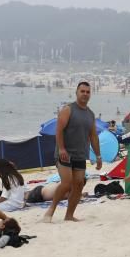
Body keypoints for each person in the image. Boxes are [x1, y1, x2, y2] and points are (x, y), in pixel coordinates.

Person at [43, 81, 101, 223]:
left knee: (79, 184)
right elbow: (59, 130)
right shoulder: (68, 109)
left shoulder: (90, 114)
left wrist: (98, 155)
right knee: (67, 183)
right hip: (65, 153)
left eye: (88, 92)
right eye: (82, 91)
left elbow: (93, 136)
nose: (85, 94)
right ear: (77, 93)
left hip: (80, 154)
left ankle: (69, 215)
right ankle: (51, 210)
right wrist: (61, 148)